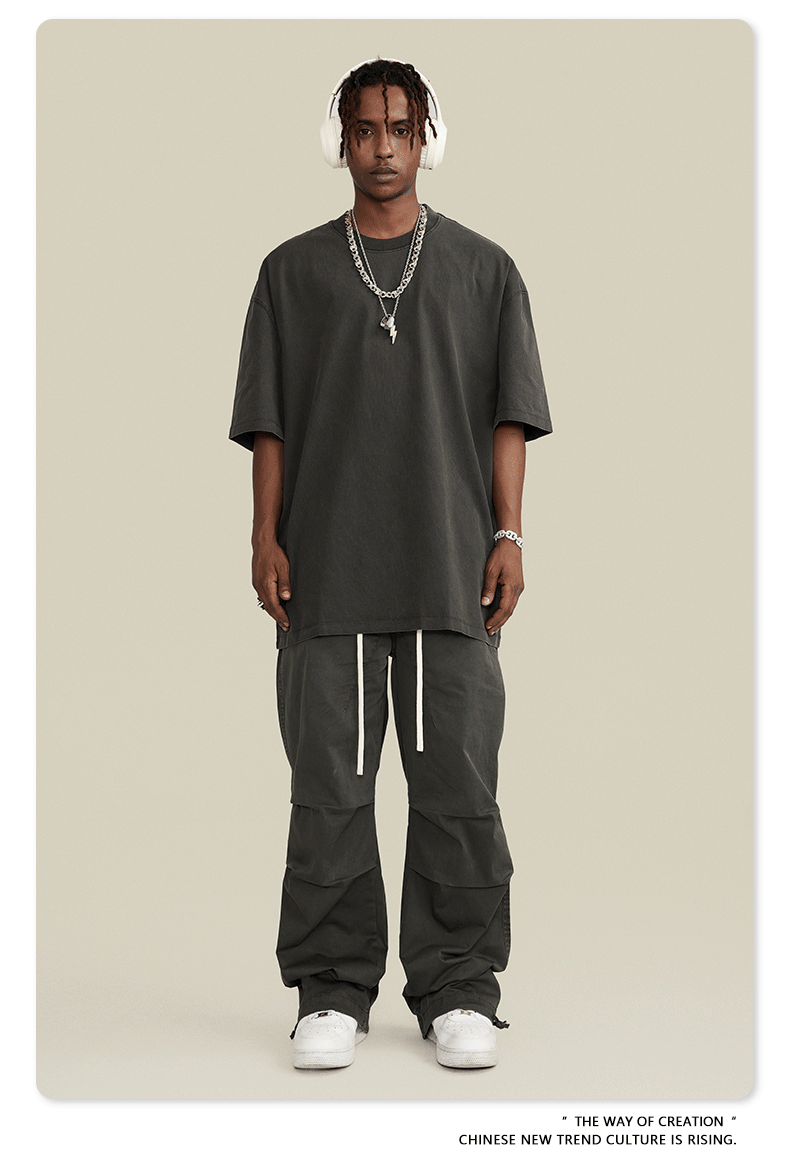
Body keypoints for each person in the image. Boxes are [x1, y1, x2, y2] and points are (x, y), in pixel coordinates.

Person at [229, 57, 552, 1070]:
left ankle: (459, 987)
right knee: (328, 792)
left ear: (427, 139)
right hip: (326, 575)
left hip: (451, 570)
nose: (381, 148)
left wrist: (507, 534)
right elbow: (271, 420)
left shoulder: (486, 271)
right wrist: (264, 534)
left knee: (458, 789)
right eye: (364, 129)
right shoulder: (290, 273)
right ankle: (330, 990)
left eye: (399, 128)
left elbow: (509, 416)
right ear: (339, 140)